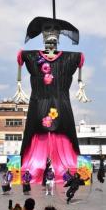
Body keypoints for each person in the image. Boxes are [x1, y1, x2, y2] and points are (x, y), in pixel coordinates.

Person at [17, 16, 90, 184]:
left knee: (64, 131)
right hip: (39, 100)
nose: (51, 37)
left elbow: (79, 63)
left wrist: (81, 85)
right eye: (47, 32)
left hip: (61, 100)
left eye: (54, 33)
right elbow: (21, 58)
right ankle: (36, 166)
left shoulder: (70, 57)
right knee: (36, 133)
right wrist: (19, 85)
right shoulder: (33, 56)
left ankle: (63, 168)